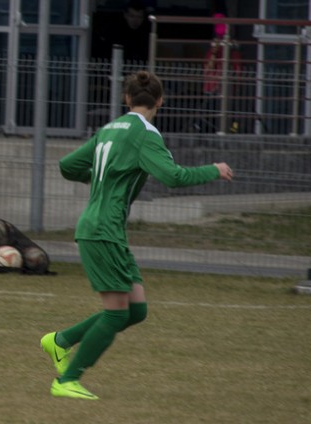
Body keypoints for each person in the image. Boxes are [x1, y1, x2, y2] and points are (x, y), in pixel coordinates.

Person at [40, 70, 233, 400]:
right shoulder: (146, 134)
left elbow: (67, 166)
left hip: (105, 228)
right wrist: (213, 170)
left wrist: (102, 177)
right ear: (160, 101)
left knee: (136, 310)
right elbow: (172, 177)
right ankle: (67, 380)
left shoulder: (109, 128)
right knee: (116, 312)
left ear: (126, 99)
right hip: (104, 230)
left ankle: (60, 341)